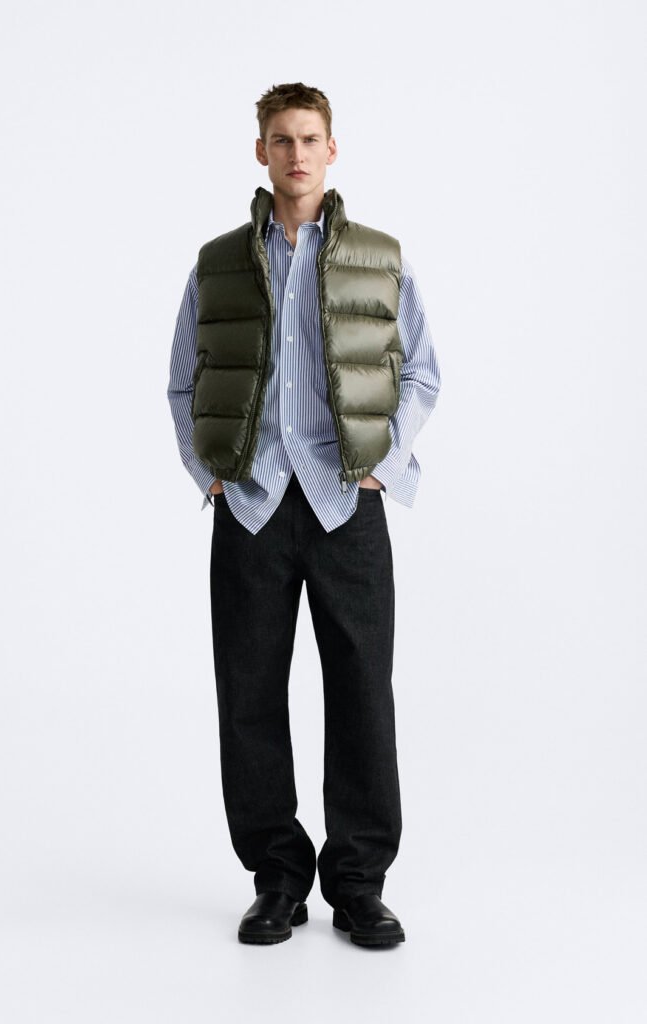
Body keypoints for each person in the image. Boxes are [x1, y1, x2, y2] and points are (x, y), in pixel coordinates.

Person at [167, 82, 441, 947]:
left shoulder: (379, 256)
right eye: (280, 139)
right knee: (248, 696)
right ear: (261, 151)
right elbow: (182, 382)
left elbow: (421, 371)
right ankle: (277, 880)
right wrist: (210, 474)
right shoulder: (217, 263)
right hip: (250, 505)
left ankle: (358, 885)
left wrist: (382, 468)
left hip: (344, 504)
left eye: (309, 138)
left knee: (361, 694)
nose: (295, 153)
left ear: (331, 149)